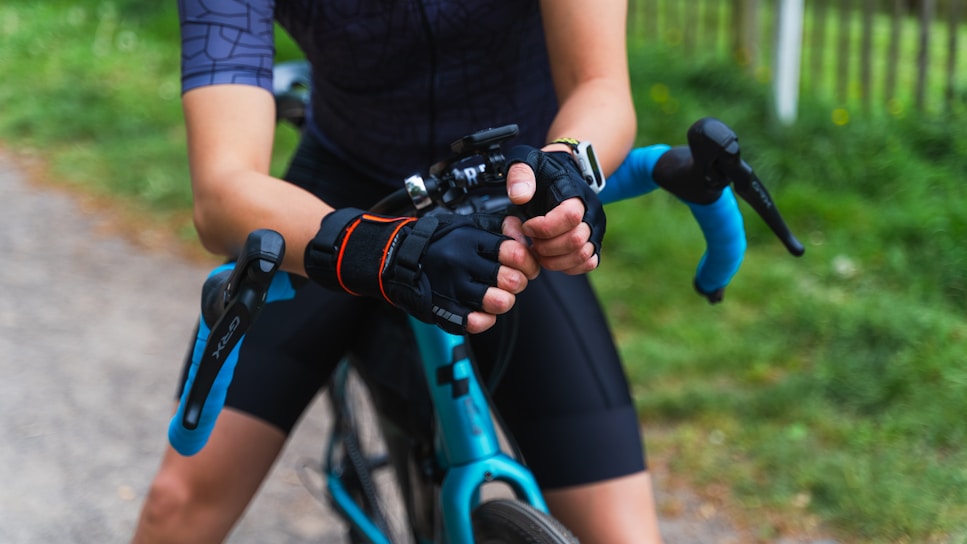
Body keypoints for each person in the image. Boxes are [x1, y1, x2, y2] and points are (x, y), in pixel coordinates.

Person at [132, 1, 665, 543]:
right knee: (177, 506)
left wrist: (567, 164)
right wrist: (386, 250)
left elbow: (600, 87)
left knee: (624, 535)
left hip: (512, 191)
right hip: (342, 194)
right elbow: (220, 191)